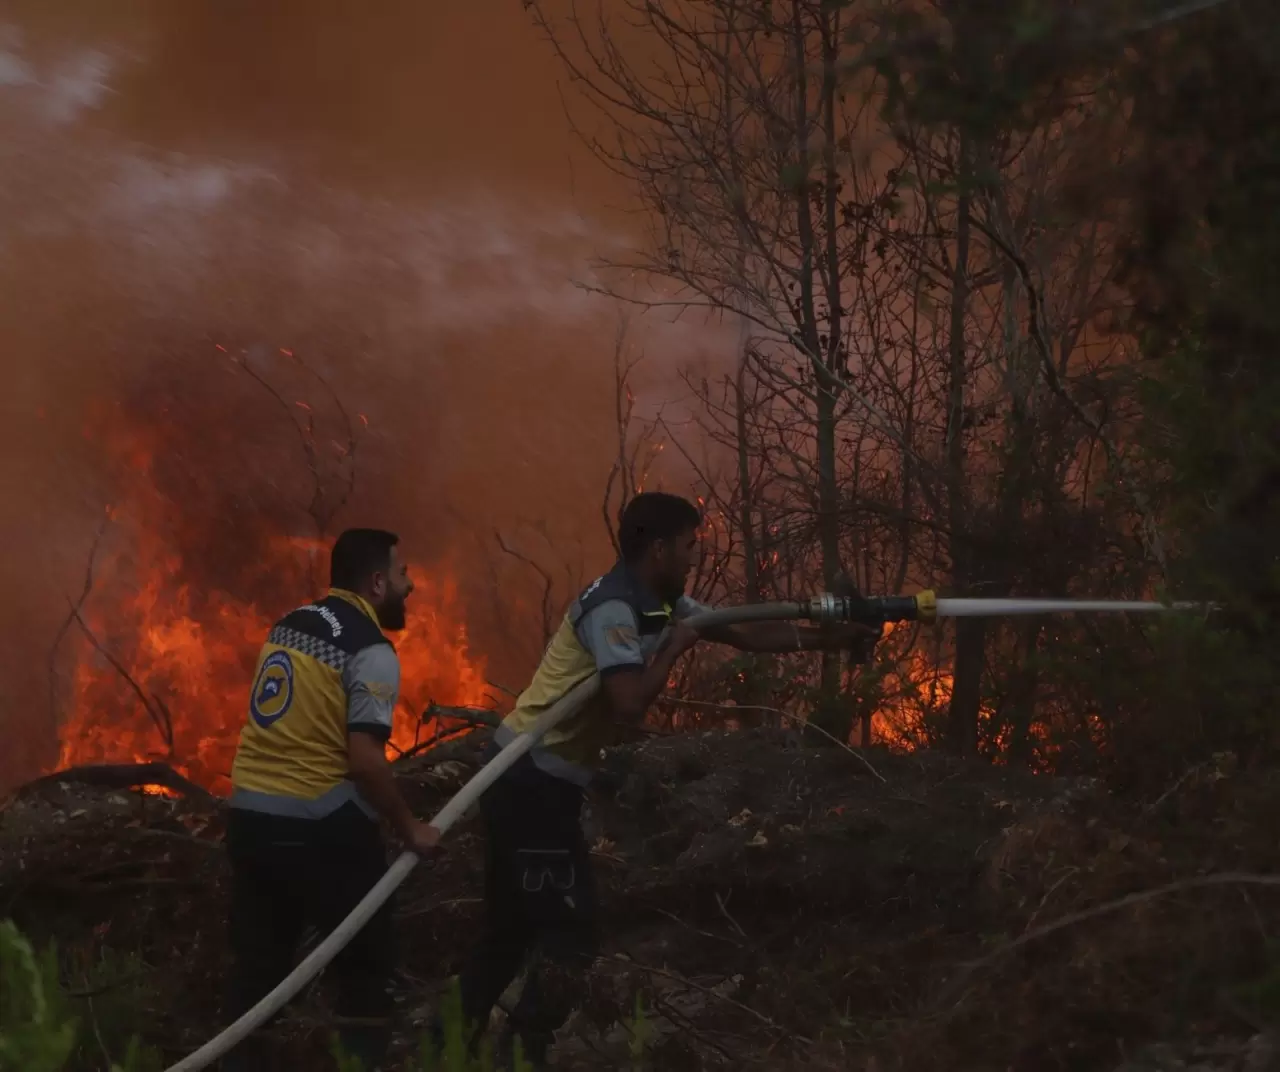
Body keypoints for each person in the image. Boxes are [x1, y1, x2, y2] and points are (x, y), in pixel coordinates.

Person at [438, 492, 880, 1068]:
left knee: (508, 933)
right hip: (529, 781)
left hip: (528, 777)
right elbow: (627, 703)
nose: (696, 556)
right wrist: (672, 650)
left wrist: (832, 639)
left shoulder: (657, 597)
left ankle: (449, 1048)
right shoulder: (615, 609)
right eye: (690, 545)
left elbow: (742, 633)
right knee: (573, 937)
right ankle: (520, 1052)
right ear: (659, 548)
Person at [223, 528, 442, 1072]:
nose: (409, 585)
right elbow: (365, 760)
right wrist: (410, 827)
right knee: (368, 968)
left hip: (248, 818)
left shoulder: (289, 623)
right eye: (402, 573)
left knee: (258, 976)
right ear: (375, 582)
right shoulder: (371, 649)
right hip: (314, 825)